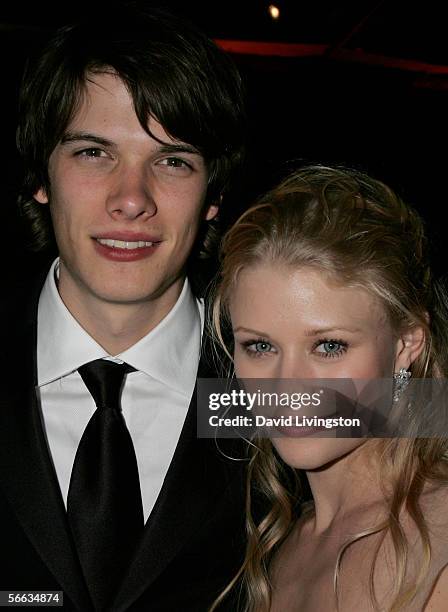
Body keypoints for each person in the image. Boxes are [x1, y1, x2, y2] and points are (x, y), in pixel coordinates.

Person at [0, 6, 247, 611]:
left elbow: (427, 421)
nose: (131, 199)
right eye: (93, 153)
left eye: (172, 160)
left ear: (213, 194)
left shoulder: (275, 381)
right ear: (41, 177)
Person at [210, 165, 448, 611]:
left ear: (405, 345)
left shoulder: (439, 540)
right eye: (259, 345)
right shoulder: (278, 546)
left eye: (329, 346)